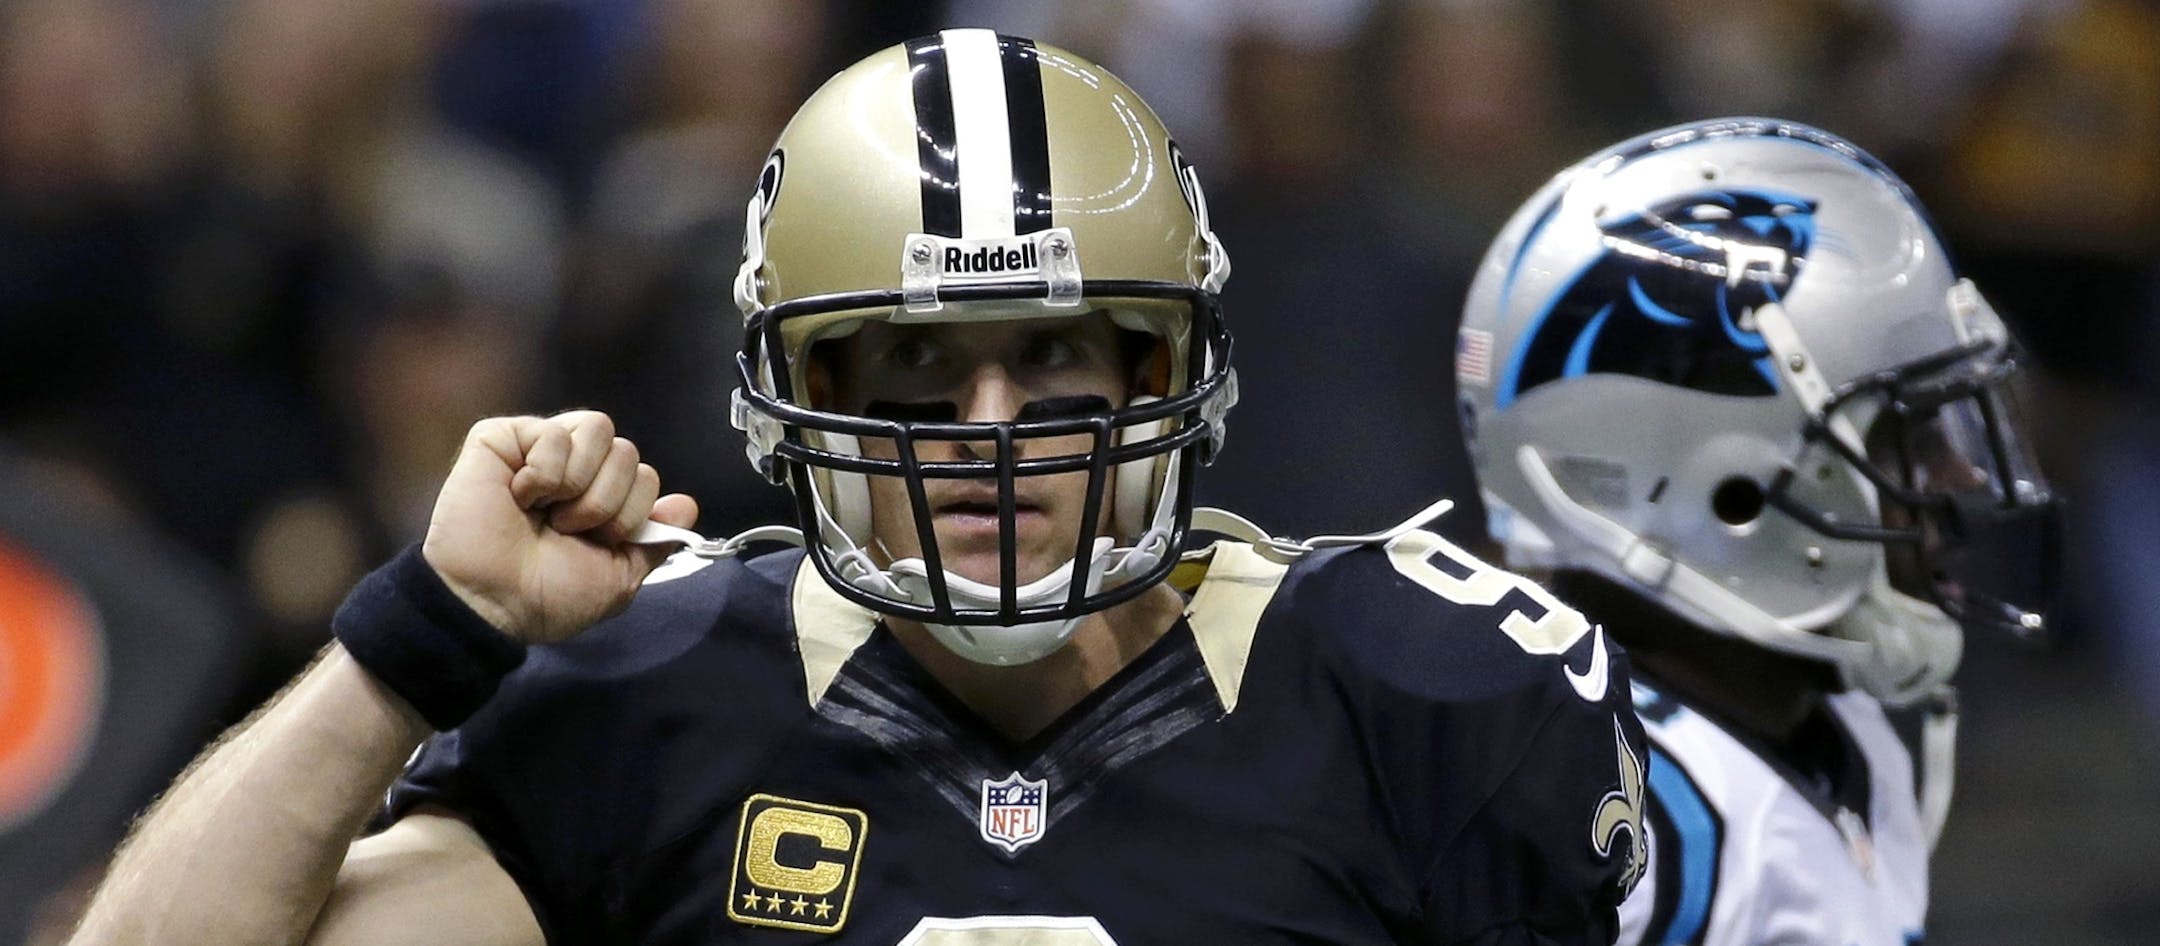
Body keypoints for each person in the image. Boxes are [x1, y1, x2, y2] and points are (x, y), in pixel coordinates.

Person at [68, 30, 1643, 944]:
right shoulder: (651, 692)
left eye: (1054, 357)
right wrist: (417, 634)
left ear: (1166, 376)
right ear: (799, 399)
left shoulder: (1419, 696)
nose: (989, 430)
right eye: (911, 366)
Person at [1453, 118, 2060, 946]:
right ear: (1729, 490)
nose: (1965, 479)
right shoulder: (1609, 824)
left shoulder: (1840, 733)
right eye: (1912, 438)